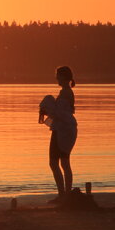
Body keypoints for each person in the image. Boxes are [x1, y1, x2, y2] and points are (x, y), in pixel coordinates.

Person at [39, 65, 77, 203]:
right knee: (63, 162)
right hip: (65, 130)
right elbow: (62, 112)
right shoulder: (66, 92)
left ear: (63, 77)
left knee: (55, 162)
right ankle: (65, 194)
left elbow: (60, 113)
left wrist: (48, 108)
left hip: (62, 130)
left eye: (58, 76)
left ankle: (63, 194)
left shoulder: (66, 93)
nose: (56, 79)